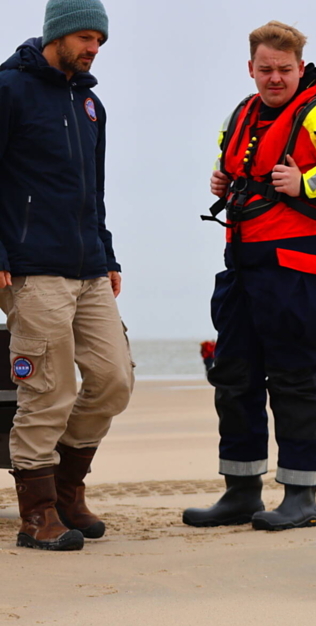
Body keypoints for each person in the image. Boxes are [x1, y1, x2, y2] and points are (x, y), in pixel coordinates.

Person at [183, 21, 316, 532]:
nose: (275, 78)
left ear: (300, 66)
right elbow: (236, 156)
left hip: (302, 262)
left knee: (295, 378)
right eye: (265, 69)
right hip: (244, 260)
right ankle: (241, 492)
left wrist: (306, 181)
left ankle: (300, 498)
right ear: (250, 68)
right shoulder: (242, 112)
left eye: (284, 69)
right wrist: (221, 177)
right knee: (234, 375)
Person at [0, 0, 134, 551]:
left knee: (113, 380)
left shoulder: (91, 104)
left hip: (88, 267)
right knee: (47, 391)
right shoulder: (9, 90)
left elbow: (92, 194)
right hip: (31, 269)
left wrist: (108, 255)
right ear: (56, 34)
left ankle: (66, 486)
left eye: (99, 40)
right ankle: (37, 514)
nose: (93, 48)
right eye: (84, 37)